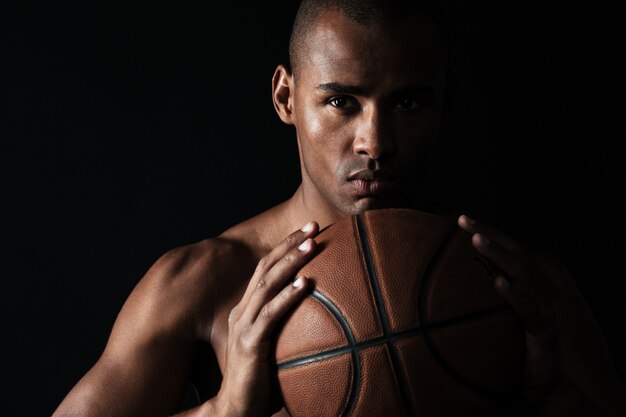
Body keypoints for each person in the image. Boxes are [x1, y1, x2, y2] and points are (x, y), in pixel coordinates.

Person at [52, 0, 625, 416]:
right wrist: (224, 413)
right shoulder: (204, 282)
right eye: (342, 101)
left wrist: (555, 400)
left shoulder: (521, 290)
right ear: (286, 98)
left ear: (446, 103)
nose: (375, 142)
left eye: (407, 102)